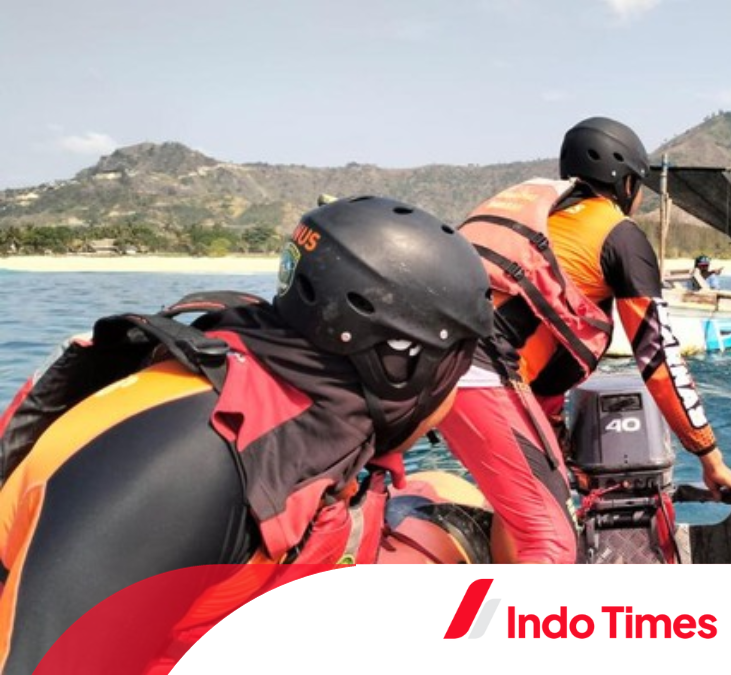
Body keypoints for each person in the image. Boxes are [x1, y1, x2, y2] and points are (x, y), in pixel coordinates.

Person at [0, 196, 492, 673]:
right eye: (457, 371)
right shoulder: (197, 465)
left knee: (447, 491)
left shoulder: (302, 404)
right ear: (402, 364)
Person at [440, 116, 731, 564]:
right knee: (550, 538)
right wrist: (710, 457)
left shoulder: (544, 219)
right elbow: (659, 356)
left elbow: (535, 340)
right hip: (481, 377)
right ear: (625, 182)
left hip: (437, 366)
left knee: (528, 512)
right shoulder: (618, 236)